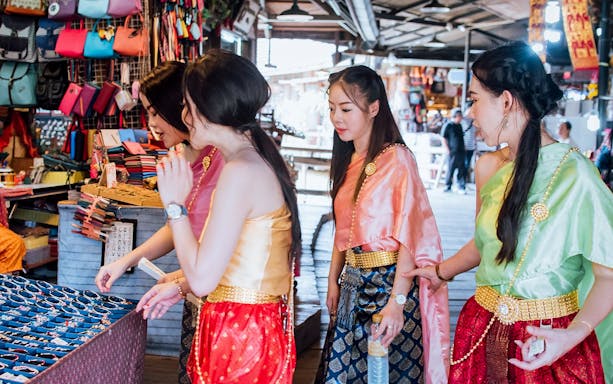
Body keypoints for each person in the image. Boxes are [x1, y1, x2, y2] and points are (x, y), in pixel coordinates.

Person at [404, 41, 613, 383]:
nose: (469, 112)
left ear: (505, 101)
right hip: (481, 328)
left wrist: (574, 335)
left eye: (473, 99)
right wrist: (441, 272)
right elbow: (488, 243)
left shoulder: (576, 176)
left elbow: (609, 275)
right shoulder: (491, 168)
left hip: (548, 342)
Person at [135, 49, 300, 384]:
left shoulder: (240, 170)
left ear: (209, 107)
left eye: (187, 105)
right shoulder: (248, 160)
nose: (182, 115)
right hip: (244, 325)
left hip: (242, 332)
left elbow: (202, 280)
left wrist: (175, 207)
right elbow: (225, 263)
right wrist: (179, 287)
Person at [316, 65, 449, 384]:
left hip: (389, 284)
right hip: (352, 284)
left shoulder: (398, 158)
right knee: (342, 373)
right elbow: (344, 229)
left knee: (384, 374)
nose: (337, 117)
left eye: (346, 109)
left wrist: (397, 302)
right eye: (332, 108)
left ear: (374, 108)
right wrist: (334, 278)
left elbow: (411, 236)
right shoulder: (348, 161)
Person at [94, 61, 224, 384]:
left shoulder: (225, 161)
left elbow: (220, 246)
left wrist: (179, 283)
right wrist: (127, 260)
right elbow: (176, 226)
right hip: (194, 294)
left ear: (181, 107)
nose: (151, 123)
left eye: (154, 112)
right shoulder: (181, 158)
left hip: (223, 301)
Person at [441, 108, 467, 193]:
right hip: (452, 151)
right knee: (450, 169)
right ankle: (448, 186)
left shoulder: (459, 125)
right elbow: (443, 138)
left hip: (461, 151)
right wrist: (447, 149)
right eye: (459, 116)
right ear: (455, 116)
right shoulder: (448, 125)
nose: (461, 118)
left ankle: (461, 186)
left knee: (461, 169)